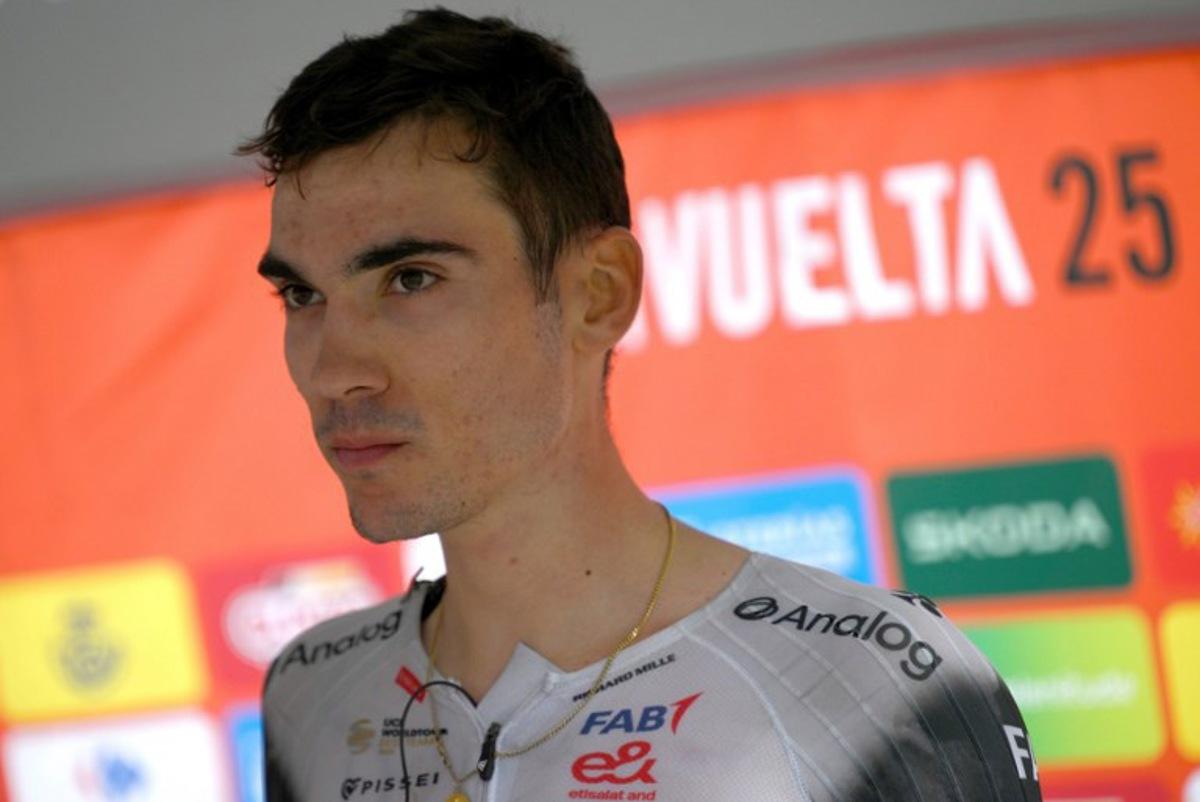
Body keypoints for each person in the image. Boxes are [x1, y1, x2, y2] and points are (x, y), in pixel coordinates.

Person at [236, 8, 1042, 801]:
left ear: (598, 295)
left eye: (411, 278)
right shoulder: (314, 696)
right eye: (303, 294)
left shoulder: (880, 685)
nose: (335, 371)